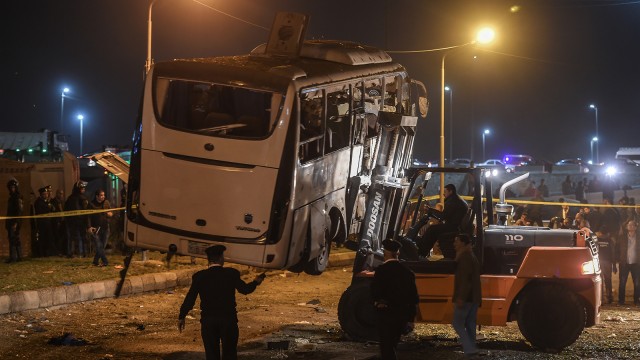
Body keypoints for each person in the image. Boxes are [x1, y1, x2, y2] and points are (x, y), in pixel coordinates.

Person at [178, 245, 265, 360]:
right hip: (228, 320)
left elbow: (190, 298)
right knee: (230, 354)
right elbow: (245, 290)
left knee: (212, 355)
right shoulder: (231, 273)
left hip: (208, 321)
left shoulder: (199, 277)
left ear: (209, 260)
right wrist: (256, 282)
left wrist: (182, 316)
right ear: (220, 258)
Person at [371, 239, 418, 360]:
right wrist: (411, 319)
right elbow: (413, 298)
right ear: (398, 253)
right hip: (402, 315)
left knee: (386, 348)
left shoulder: (381, 271)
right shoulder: (408, 273)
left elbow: (375, 292)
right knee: (392, 344)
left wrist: (378, 302)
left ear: (385, 254)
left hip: (386, 314)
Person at [417, 184, 469, 258]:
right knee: (433, 229)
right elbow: (445, 215)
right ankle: (423, 252)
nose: (443, 193)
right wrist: (431, 211)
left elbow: (443, 216)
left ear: (450, 191)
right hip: (455, 225)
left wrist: (430, 210)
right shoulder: (456, 199)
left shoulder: (453, 201)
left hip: (453, 227)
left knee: (432, 230)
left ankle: (421, 253)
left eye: (445, 191)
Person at [452, 233, 483, 358]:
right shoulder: (471, 255)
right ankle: (472, 347)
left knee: (457, 323)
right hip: (474, 296)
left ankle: (469, 347)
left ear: (463, 243)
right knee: (470, 323)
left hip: (466, 297)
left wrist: (461, 297)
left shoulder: (464, 257)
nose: (454, 244)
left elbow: (465, 279)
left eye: (457, 241)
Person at [615, 219, 640, 306]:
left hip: (636, 264)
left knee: (637, 283)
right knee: (622, 283)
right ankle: (621, 301)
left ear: (636, 227)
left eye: (633, 225)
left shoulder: (639, 237)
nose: (631, 226)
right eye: (629, 225)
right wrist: (618, 259)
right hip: (624, 263)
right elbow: (617, 249)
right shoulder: (622, 237)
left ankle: (636, 301)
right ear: (626, 227)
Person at [64, 181, 90, 257]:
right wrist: (87, 224)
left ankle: (71, 253)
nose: (84, 190)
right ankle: (82, 253)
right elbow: (86, 211)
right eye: (82, 188)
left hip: (71, 222)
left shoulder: (70, 198)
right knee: (82, 237)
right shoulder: (83, 198)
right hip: (80, 222)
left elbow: (66, 210)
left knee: (71, 238)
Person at [89, 189, 113, 267]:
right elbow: (87, 216)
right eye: (101, 195)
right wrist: (89, 227)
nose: (103, 197)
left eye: (104, 195)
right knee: (99, 245)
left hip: (105, 227)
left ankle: (95, 261)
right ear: (97, 196)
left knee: (102, 246)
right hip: (95, 229)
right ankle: (105, 261)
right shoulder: (91, 205)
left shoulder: (106, 203)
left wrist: (110, 214)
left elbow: (111, 212)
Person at [33, 185, 56, 257]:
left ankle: (48, 253)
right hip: (42, 223)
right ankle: (41, 253)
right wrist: (48, 207)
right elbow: (41, 211)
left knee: (49, 238)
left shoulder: (47, 202)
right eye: (44, 194)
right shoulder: (38, 202)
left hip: (48, 222)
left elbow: (53, 209)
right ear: (41, 195)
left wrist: (50, 206)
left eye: (46, 194)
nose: (46, 195)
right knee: (42, 238)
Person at [5, 179, 24, 263]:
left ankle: (14, 257)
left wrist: (16, 222)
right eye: (11, 187)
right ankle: (19, 257)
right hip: (11, 221)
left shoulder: (17, 197)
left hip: (14, 222)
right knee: (15, 239)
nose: (12, 189)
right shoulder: (12, 197)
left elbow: (19, 211)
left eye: (13, 187)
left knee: (13, 239)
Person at [596, 225, 615, 304]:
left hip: (598, 262)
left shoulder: (596, 240)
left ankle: (600, 299)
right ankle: (609, 298)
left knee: (600, 281)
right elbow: (613, 253)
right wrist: (614, 265)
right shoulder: (610, 240)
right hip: (607, 262)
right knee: (608, 281)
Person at [50, 189, 67, 256]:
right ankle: (57, 251)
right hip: (56, 222)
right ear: (56, 194)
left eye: (62, 193)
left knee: (63, 237)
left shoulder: (63, 202)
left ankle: (63, 251)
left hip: (63, 221)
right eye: (60, 193)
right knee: (57, 237)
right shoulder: (53, 201)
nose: (61, 195)